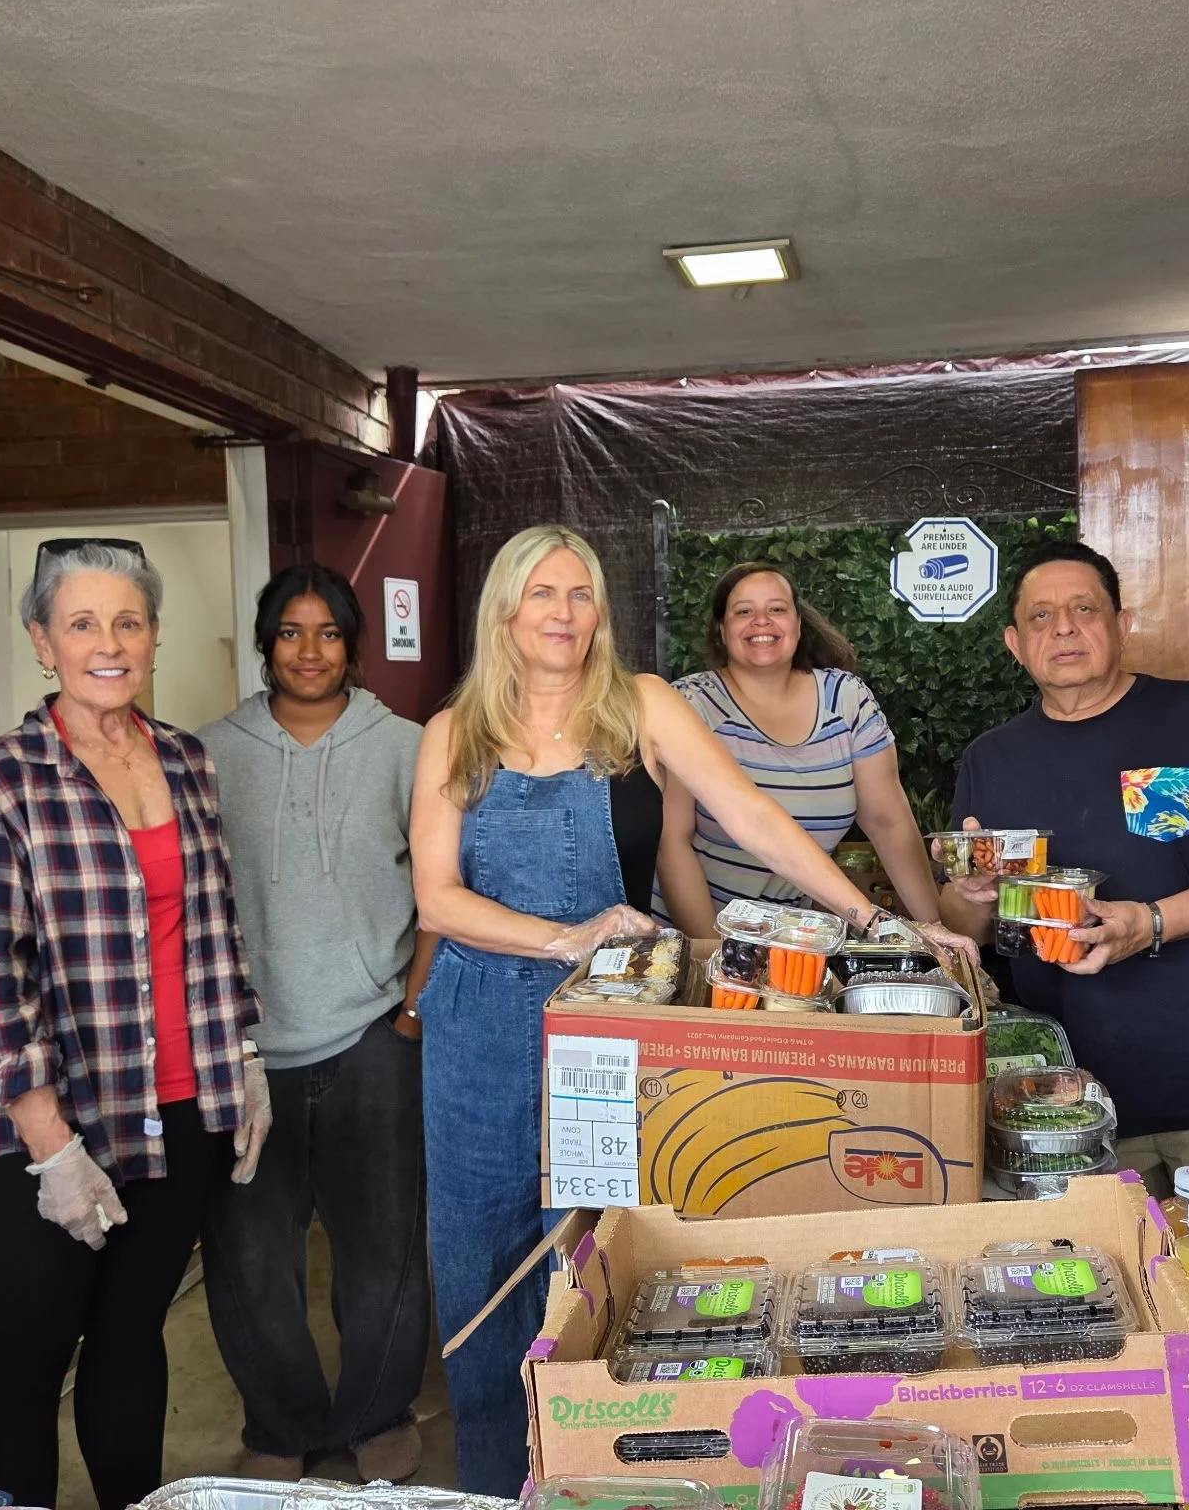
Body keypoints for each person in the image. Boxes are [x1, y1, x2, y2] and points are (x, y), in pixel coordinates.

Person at [410, 525, 979, 1496]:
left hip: (607, 1025)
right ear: (503, 609)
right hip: (478, 1026)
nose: (563, 614)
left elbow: (752, 814)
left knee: (606, 1256)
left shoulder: (640, 707)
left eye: (581, 594)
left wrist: (873, 919)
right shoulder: (451, 732)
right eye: (542, 594)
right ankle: (493, 1483)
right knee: (479, 1258)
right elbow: (436, 898)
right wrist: (563, 936)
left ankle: (605, 1471)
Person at [0, 539, 272, 1510]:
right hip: (41, 1133)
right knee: (23, 1367)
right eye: (81, 623)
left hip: (175, 1109)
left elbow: (212, 926)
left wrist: (240, 1057)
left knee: (133, 1343)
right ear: (42, 643)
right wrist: (51, 1151)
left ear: (154, 636)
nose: (107, 643)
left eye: (127, 621)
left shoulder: (185, 761)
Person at [940, 540, 1189, 1290]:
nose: (1064, 628)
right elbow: (970, 927)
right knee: (1111, 1318)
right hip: (1069, 1105)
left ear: (1120, 623)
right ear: (1015, 644)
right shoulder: (993, 757)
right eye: (1041, 616)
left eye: (1084, 609)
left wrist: (1147, 923)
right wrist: (968, 897)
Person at [199, 565, 432, 1483]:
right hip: (245, 1049)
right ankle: (282, 1426)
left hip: (373, 1032)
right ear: (266, 646)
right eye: (290, 633)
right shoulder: (204, 752)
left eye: (327, 632)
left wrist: (412, 1004)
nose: (308, 650)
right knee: (252, 1257)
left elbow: (447, 888)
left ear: (352, 645)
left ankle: (378, 1414)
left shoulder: (408, 746)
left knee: (382, 1251)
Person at [657, 561, 947, 935]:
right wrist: (710, 954)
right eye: (744, 611)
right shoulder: (690, 704)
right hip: (688, 941)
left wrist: (936, 930)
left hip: (791, 940)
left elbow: (889, 822)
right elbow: (671, 842)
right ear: (721, 630)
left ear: (798, 624)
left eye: (777, 609)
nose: (762, 621)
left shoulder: (846, 699)